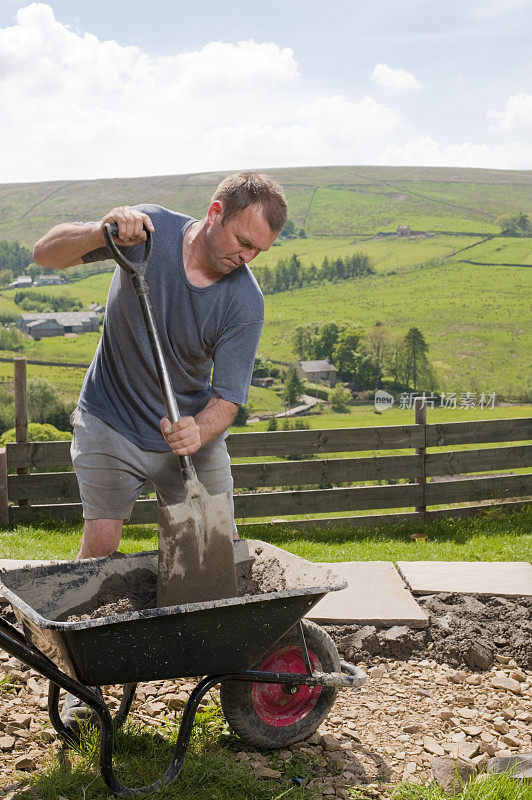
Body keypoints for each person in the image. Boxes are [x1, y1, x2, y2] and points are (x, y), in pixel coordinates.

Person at [32, 170, 287, 730]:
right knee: (101, 547)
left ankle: (224, 671)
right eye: (243, 242)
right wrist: (103, 229)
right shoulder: (145, 234)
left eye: (259, 252)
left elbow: (228, 401)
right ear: (216, 211)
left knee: (215, 550)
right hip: (110, 419)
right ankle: (86, 683)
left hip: (187, 438)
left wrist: (200, 430)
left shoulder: (245, 301)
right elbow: (44, 253)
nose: (247, 257)